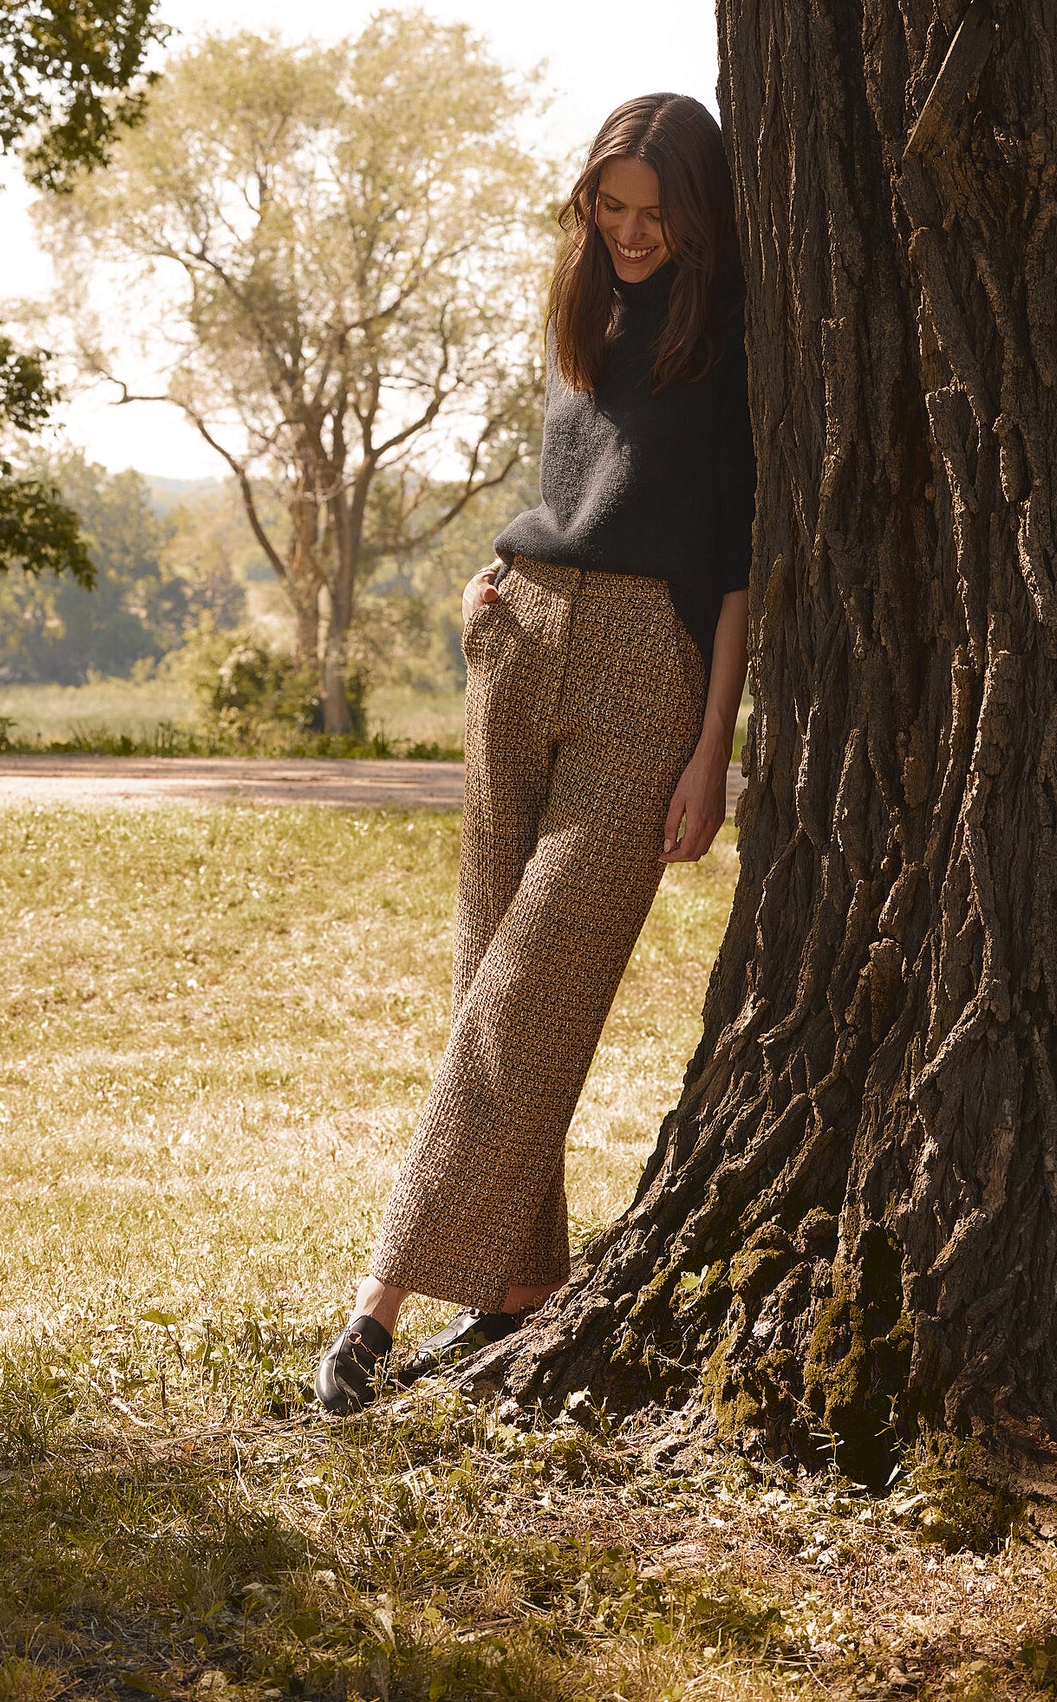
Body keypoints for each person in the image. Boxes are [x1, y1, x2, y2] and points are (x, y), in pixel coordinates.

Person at [315, 93, 755, 1414]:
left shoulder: (738, 341)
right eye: (606, 208)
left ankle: (373, 1309)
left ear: (697, 214)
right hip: (517, 639)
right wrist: (487, 578)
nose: (626, 233)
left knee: (526, 994)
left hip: (645, 675)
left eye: (651, 212)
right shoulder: (582, 312)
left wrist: (708, 752)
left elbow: (736, 569)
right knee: (481, 974)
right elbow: (566, 485)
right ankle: (517, 1295)